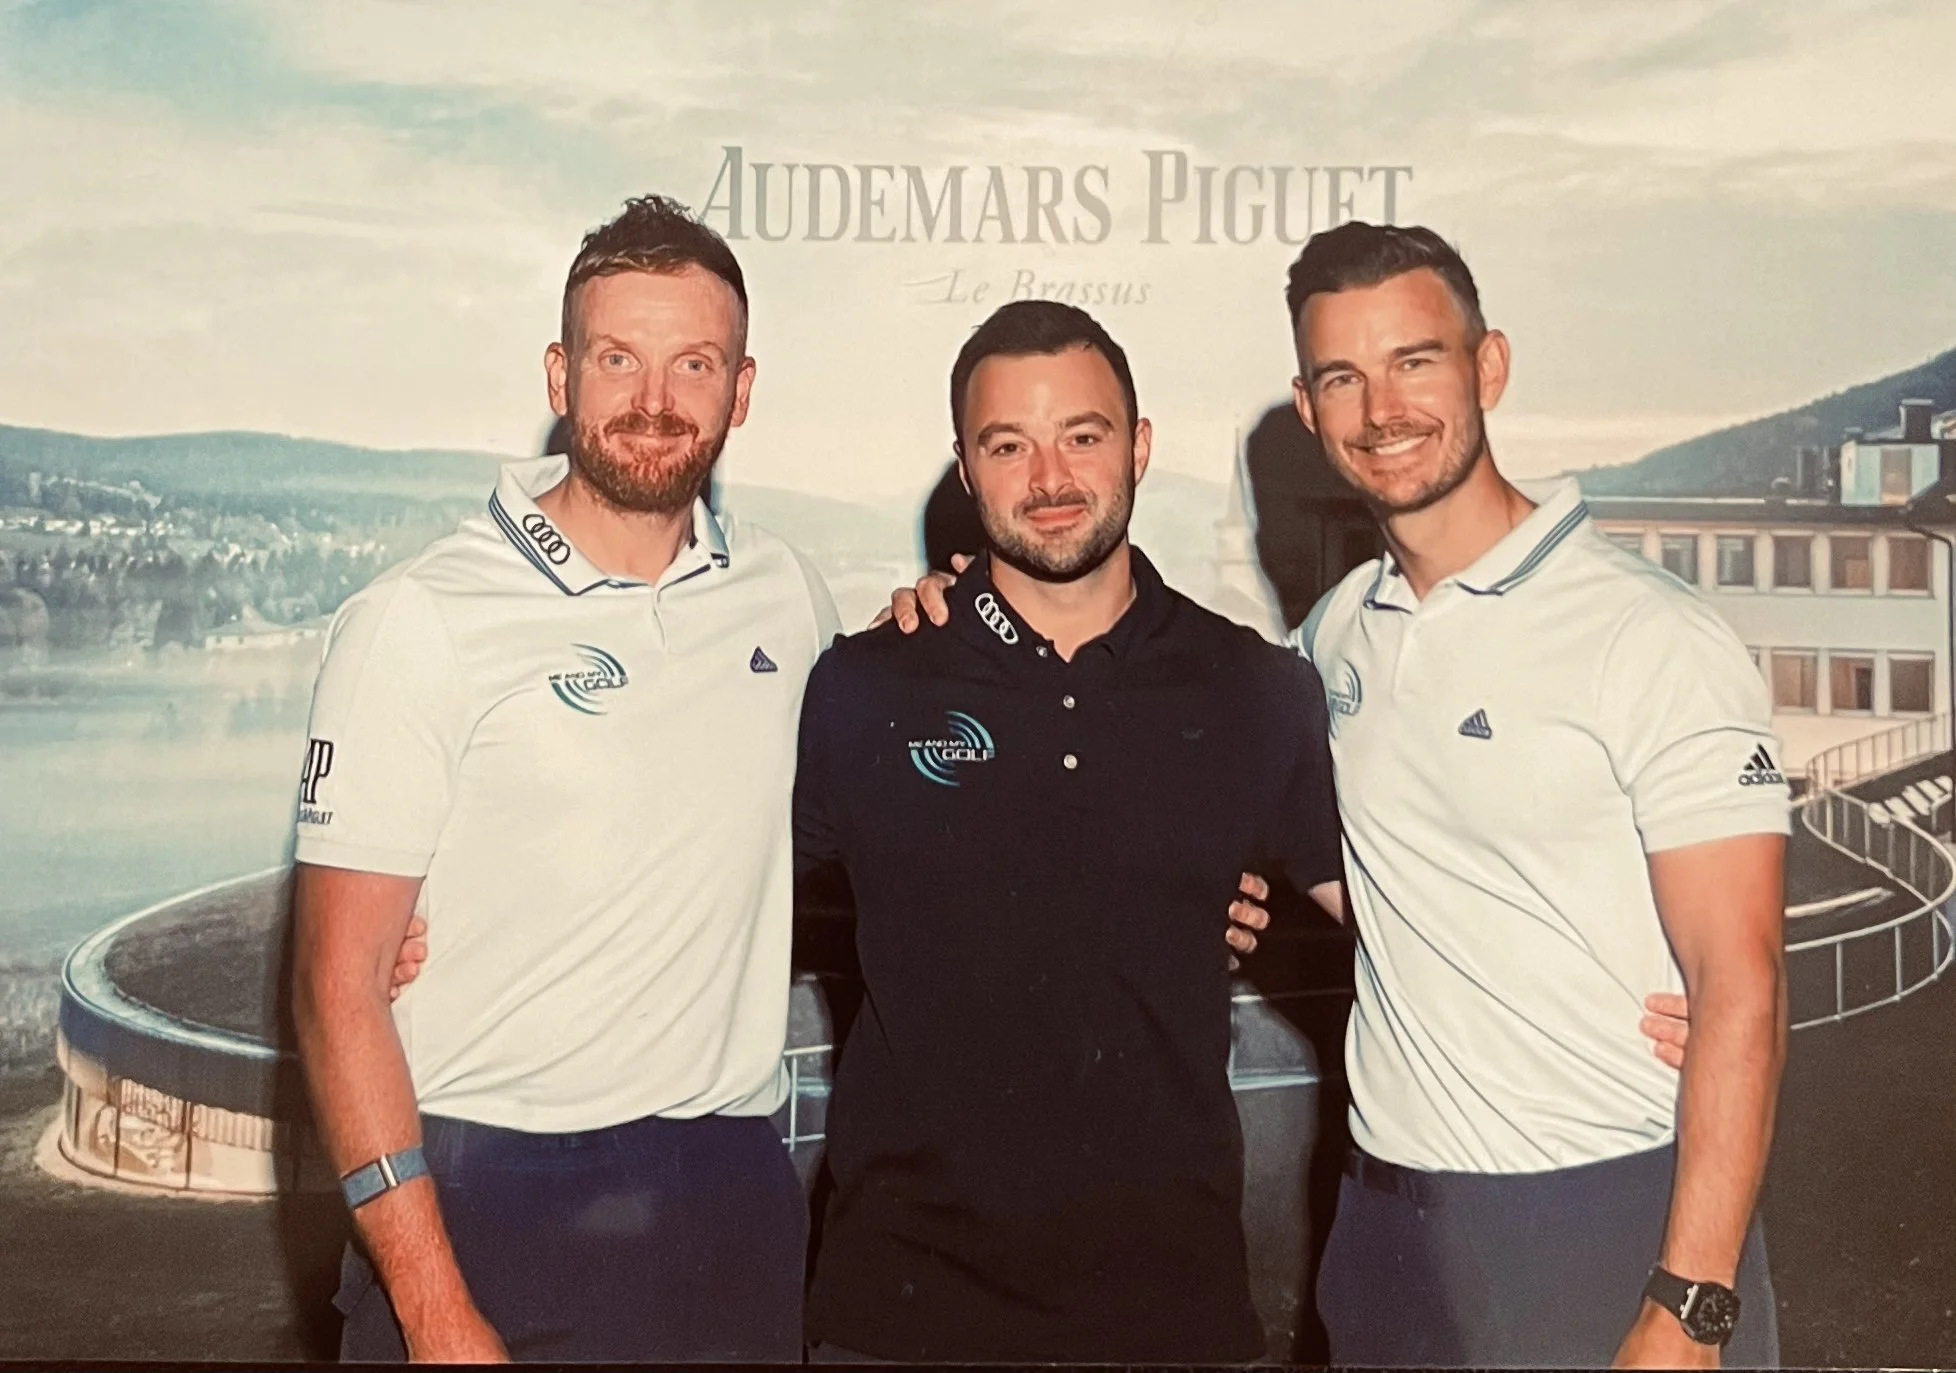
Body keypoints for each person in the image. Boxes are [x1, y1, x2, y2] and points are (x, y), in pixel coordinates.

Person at [290, 195, 840, 1363]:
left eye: (695, 363)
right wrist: (433, 1308)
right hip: (485, 1195)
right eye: (618, 358)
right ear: (561, 374)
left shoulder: (789, 597)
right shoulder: (421, 617)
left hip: (730, 1193)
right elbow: (336, 990)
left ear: (741, 390)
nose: (655, 399)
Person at [795, 299, 1349, 1364]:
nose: (1049, 477)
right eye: (1008, 444)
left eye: (1082, 436)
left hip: (1168, 1316)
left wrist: (1631, 988)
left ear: (1139, 447)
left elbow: (1404, 923)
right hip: (900, 1317)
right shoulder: (864, 686)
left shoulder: (1253, 689)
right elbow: (705, 895)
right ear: (966, 468)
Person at [1284, 223, 1787, 1368]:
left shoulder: (1648, 634)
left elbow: (1742, 980)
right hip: (1387, 1225)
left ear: (1489, 365)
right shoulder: (1334, 633)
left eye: (1415, 360)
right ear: (1308, 408)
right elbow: (1366, 860)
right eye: (1342, 377)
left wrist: (1693, 1300)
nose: (1382, 408)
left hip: (1604, 1216)